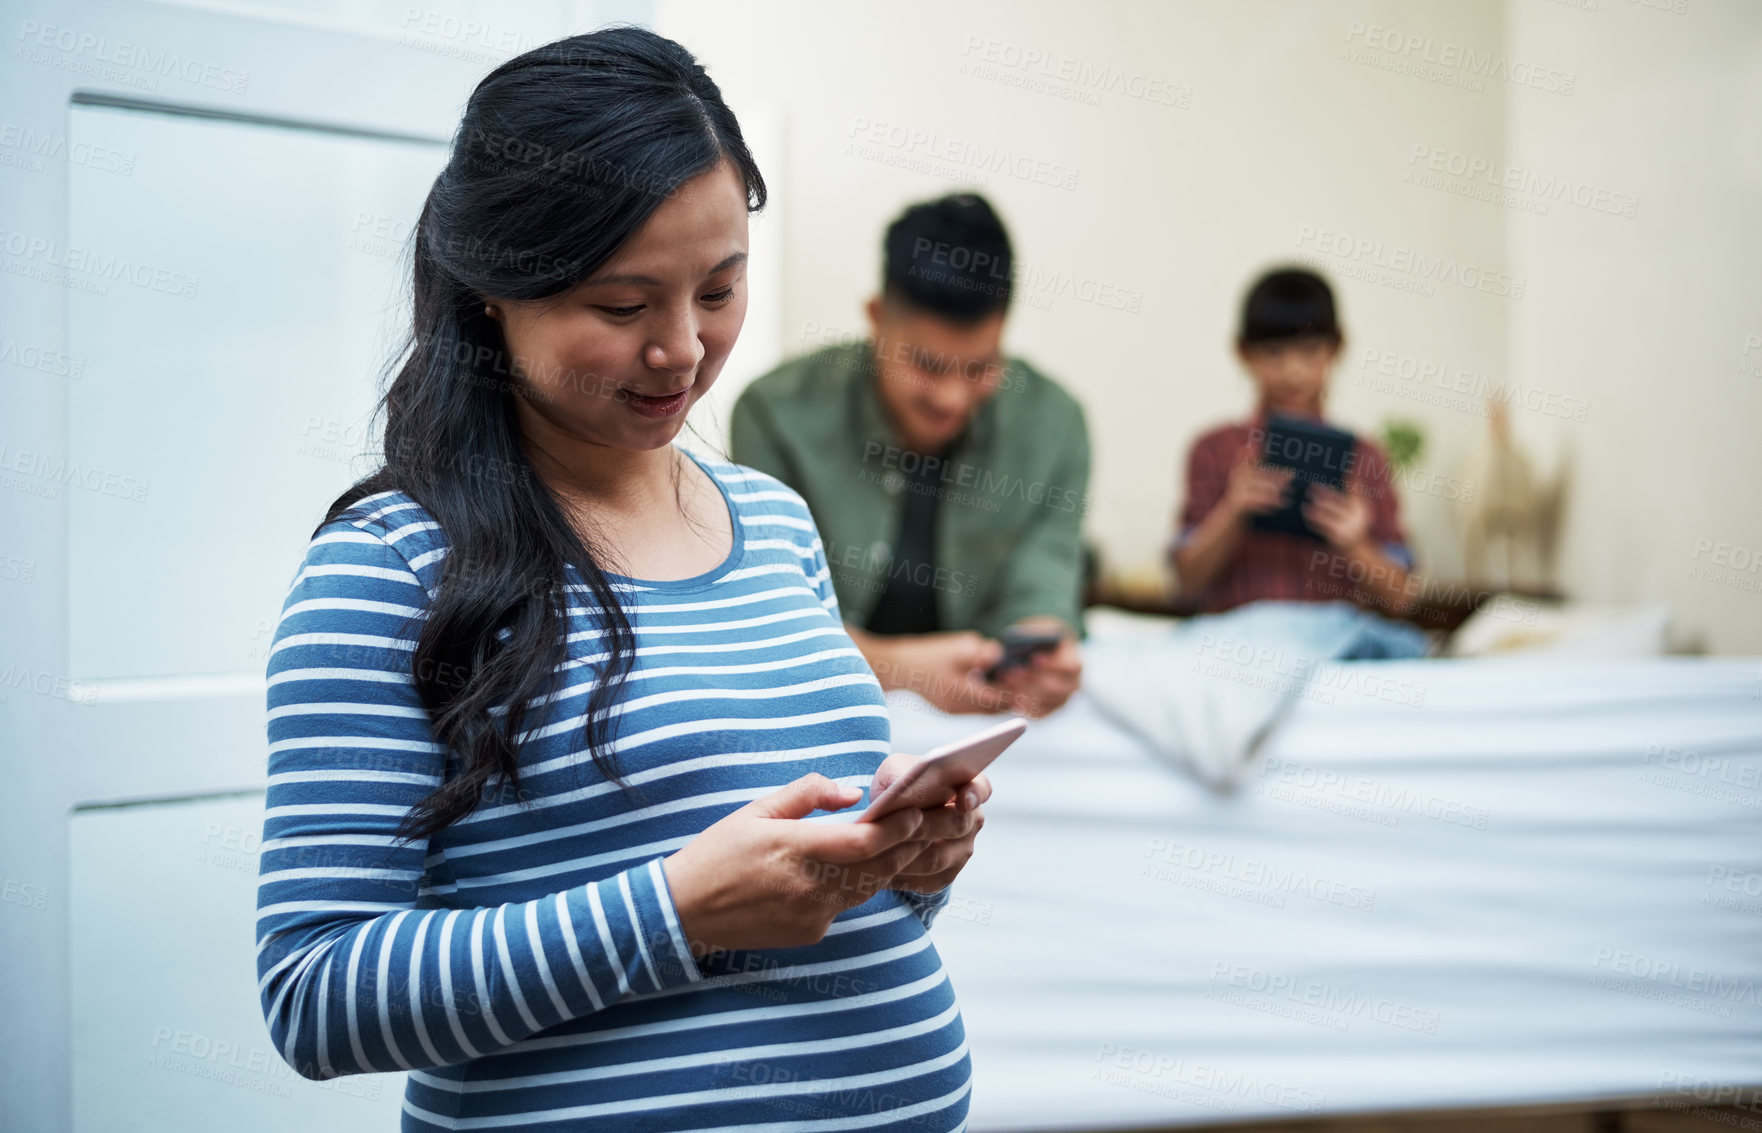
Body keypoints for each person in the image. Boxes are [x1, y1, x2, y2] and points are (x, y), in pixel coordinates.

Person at [255, 29, 981, 1131]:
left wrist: (904, 864)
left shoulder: (774, 521)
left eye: (721, 288)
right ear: (493, 290)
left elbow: (794, 942)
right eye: (621, 305)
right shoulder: (391, 565)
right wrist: (678, 907)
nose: (683, 349)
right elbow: (316, 996)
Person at [731, 193, 1088, 718]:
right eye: (927, 365)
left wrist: (1042, 649)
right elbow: (768, 615)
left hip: (986, 710)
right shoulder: (776, 414)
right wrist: (896, 666)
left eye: (980, 368)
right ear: (876, 319)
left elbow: (1044, 581)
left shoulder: (1053, 423)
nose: (952, 398)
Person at [1171, 267, 1416, 615]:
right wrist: (1233, 511)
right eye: (1273, 352)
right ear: (1244, 353)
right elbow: (1186, 585)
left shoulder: (1366, 458)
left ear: (1336, 349)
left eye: (1310, 350)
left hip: (1333, 646)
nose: (1293, 371)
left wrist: (1356, 544)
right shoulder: (1213, 450)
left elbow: (1402, 600)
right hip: (1239, 647)